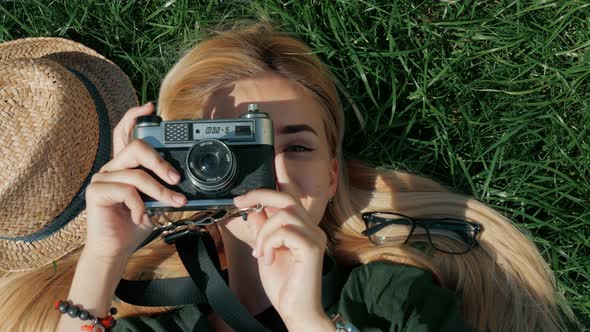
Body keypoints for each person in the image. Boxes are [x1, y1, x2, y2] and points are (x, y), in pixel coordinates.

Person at [0, 23, 578, 332]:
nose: (271, 172)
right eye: (231, 148)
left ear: (331, 176)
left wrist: (309, 321)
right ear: (175, 165)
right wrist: (103, 258)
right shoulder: (157, 324)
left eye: (295, 145)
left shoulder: (388, 302)